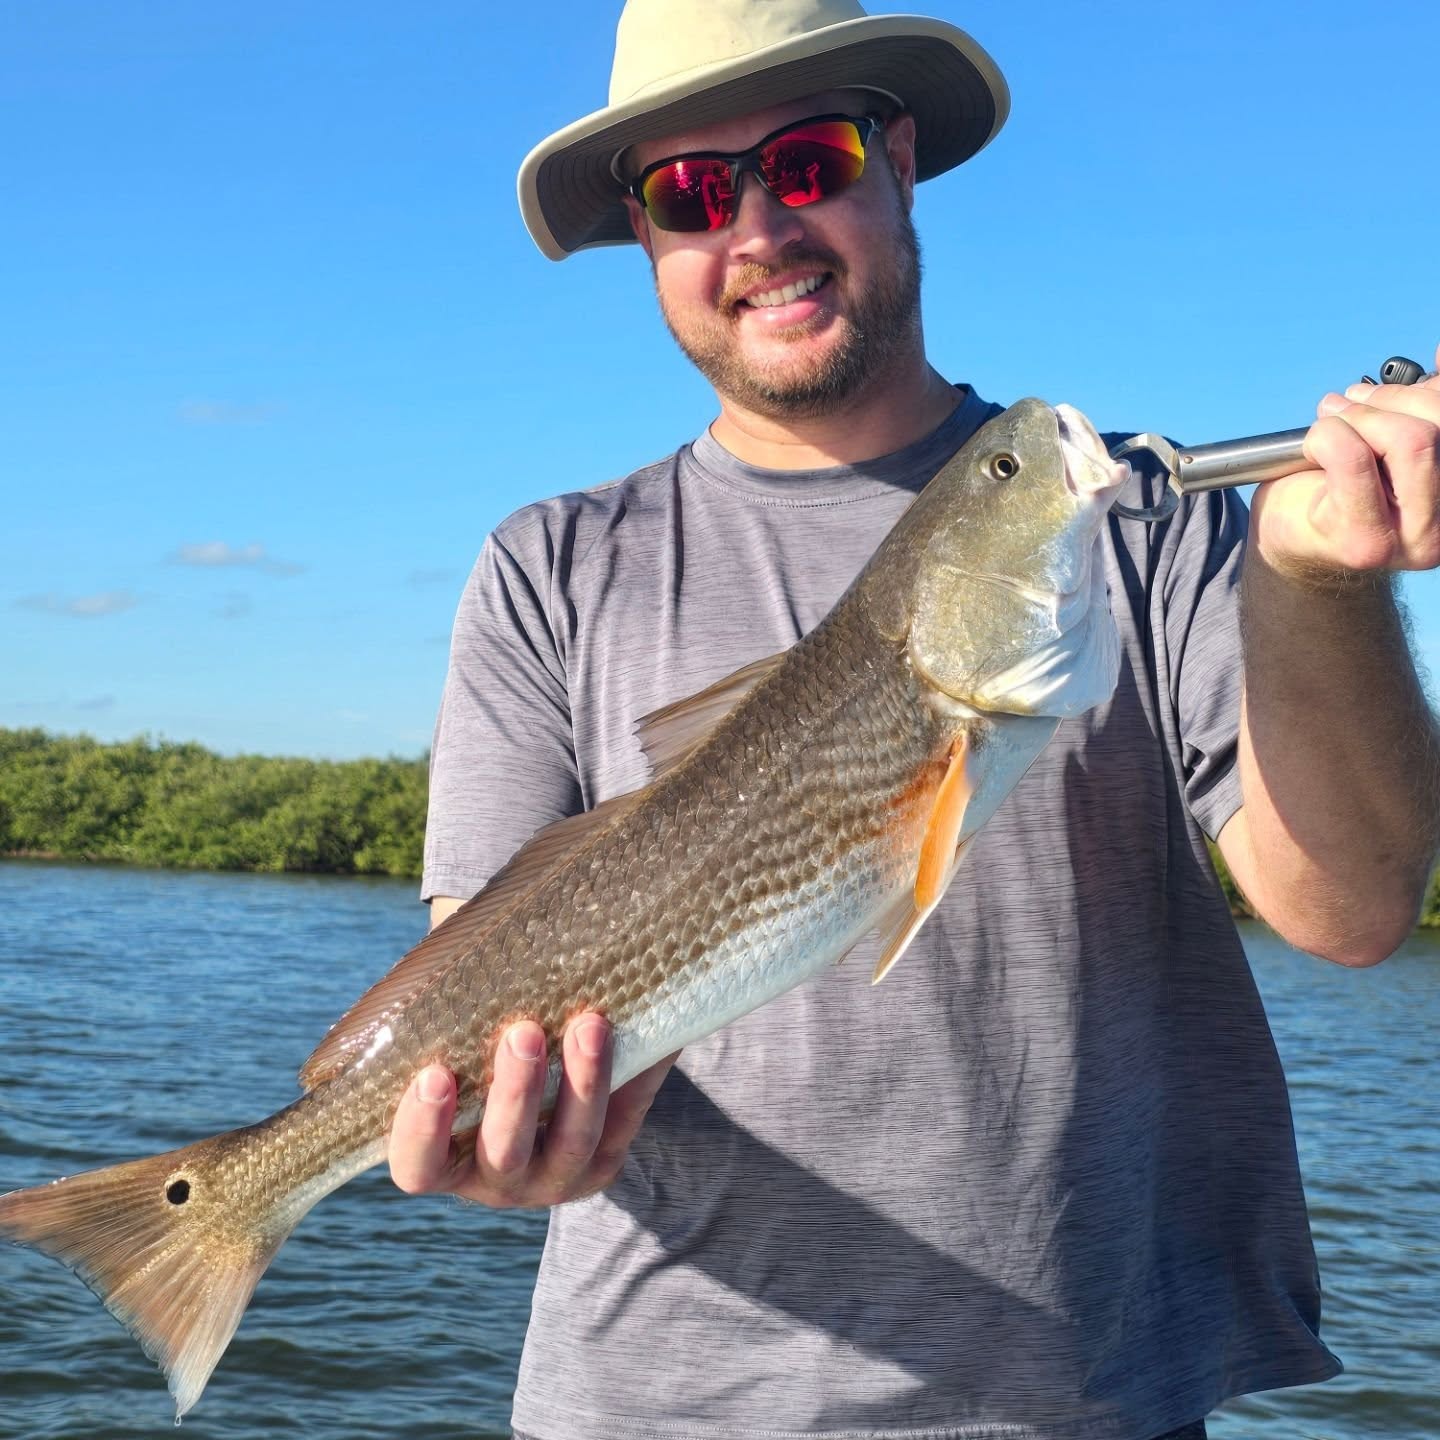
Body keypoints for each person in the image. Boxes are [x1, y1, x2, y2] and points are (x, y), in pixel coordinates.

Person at [389, 2, 1440, 1437]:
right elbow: (476, 962)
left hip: (1092, 1404)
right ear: (646, 237)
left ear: (895, 159)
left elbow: (1356, 911)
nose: (758, 230)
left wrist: (1314, 578)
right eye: (690, 192)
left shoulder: (1133, 520)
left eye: (806, 162)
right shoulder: (548, 567)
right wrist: (499, 1132)